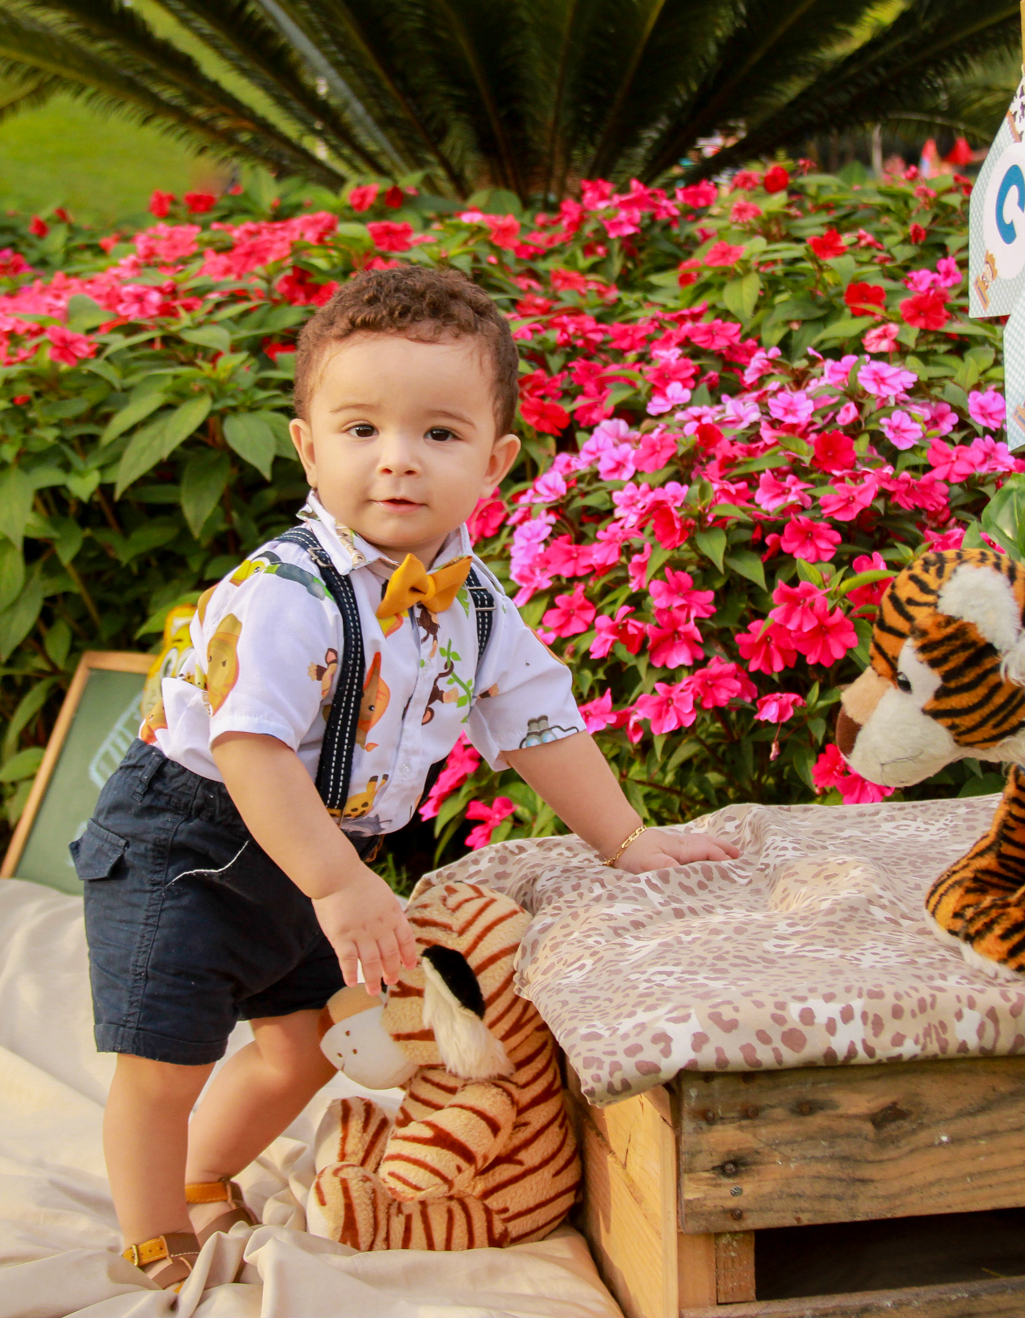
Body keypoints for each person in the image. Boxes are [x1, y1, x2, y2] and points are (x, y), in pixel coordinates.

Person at [71, 266, 735, 1288]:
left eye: (437, 433)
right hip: (189, 834)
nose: (397, 463)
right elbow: (249, 750)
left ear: (495, 460)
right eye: (360, 430)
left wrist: (626, 839)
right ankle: (152, 1231)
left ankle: (206, 1172)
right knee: (166, 1058)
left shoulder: (469, 601)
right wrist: (338, 885)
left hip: (322, 848)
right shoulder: (284, 593)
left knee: (299, 1051)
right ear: (306, 445)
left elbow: (539, 720)